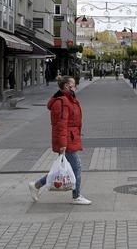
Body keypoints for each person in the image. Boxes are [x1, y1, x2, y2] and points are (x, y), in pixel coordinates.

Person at [28, 76, 91, 205]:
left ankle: (36, 185)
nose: (76, 86)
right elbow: (61, 124)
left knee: (61, 170)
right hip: (66, 140)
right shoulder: (62, 102)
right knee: (77, 167)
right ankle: (76, 196)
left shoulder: (67, 99)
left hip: (70, 137)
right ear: (67, 86)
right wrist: (63, 144)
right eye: (74, 84)